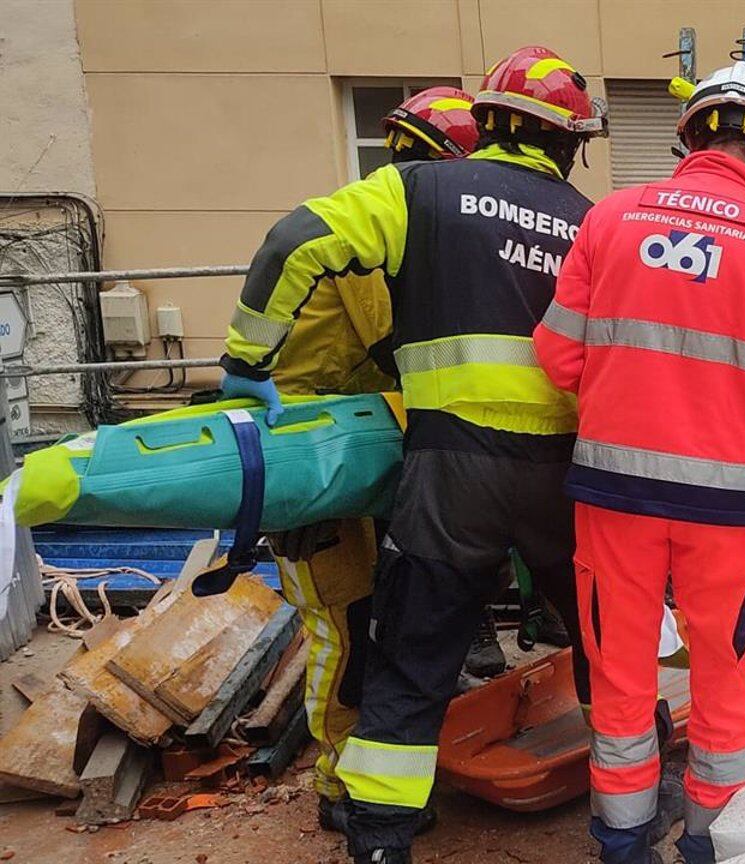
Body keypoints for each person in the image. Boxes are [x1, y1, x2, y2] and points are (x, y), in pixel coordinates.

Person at [220, 45, 605, 864]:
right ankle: (632, 810)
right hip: (567, 477)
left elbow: (295, 240)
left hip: (447, 471)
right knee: (609, 646)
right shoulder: (592, 222)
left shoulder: (417, 190)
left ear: (486, 121)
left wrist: (246, 362)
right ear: (569, 143)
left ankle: (383, 839)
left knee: (413, 657)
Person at [534, 62, 745, 864]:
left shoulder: (610, 219)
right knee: (722, 676)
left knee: (619, 675)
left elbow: (557, 357)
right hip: (730, 507)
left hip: (613, 498)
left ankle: (620, 839)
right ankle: (715, 840)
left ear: (690, 137)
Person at [247, 86, 475, 835]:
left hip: (362, 449)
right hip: (318, 459)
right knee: (345, 624)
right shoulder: (369, 242)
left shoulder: (378, 226)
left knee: (380, 615)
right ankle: (339, 784)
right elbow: (399, 347)